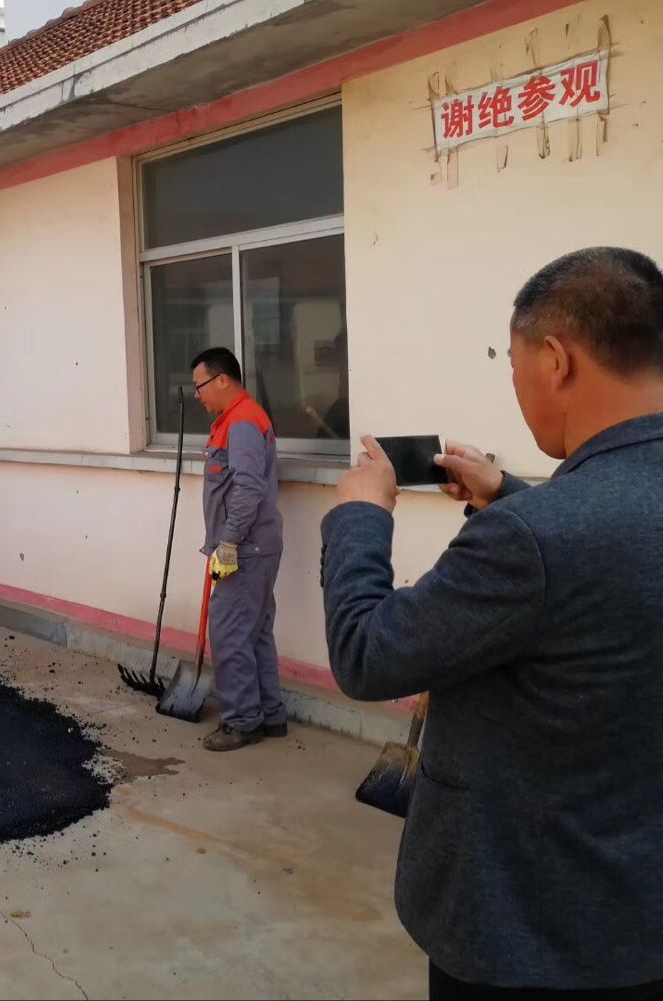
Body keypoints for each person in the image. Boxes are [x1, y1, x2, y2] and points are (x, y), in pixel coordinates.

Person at [320, 247, 663, 998]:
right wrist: (505, 490)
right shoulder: (556, 523)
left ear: (556, 360)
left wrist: (360, 516)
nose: (515, 385)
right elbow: (608, 554)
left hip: (524, 929)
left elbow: (366, 653)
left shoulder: (530, 540)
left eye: (512, 365)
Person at [190, 346, 287, 752]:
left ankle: (243, 722)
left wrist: (228, 542)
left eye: (200, 386)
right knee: (255, 633)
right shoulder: (234, 420)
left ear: (223, 379)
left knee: (230, 634)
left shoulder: (243, 422)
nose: (197, 395)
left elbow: (248, 488)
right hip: (256, 547)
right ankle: (271, 714)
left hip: (245, 550)